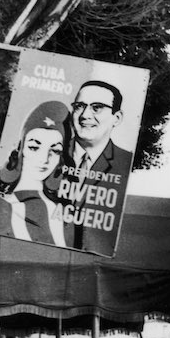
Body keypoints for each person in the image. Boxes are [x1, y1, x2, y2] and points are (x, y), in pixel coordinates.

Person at [0, 101, 70, 247]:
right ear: (20, 150)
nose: (44, 159)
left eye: (55, 150)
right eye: (34, 147)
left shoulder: (61, 211)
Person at [60, 80, 133, 256]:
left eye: (97, 108)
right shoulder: (50, 153)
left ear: (117, 118)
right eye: (79, 106)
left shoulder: (124, 163)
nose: (85, 115)